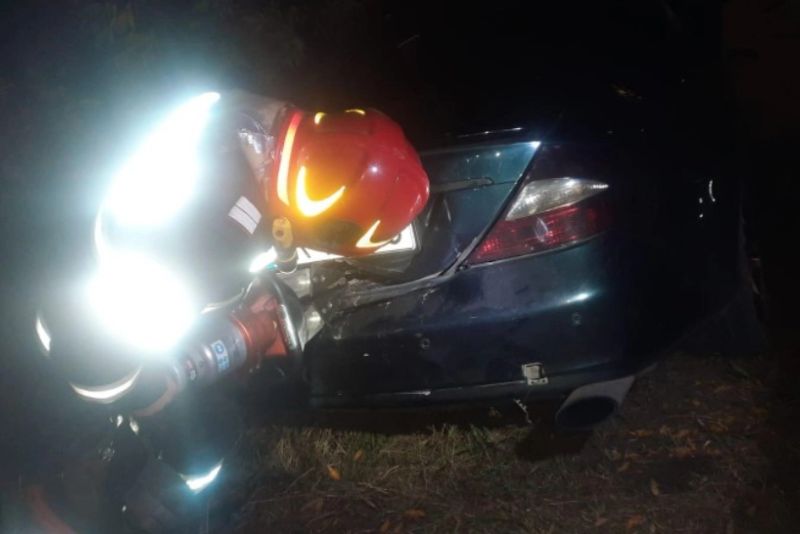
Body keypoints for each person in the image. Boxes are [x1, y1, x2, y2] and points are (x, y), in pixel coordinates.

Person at [16, 91, 429, 532]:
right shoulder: (221, 241)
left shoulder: (235, 124)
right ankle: (89, 511)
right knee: (208, 437)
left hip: (50, 275)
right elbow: (96, 356)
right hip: (76, 359)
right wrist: (174, 381)